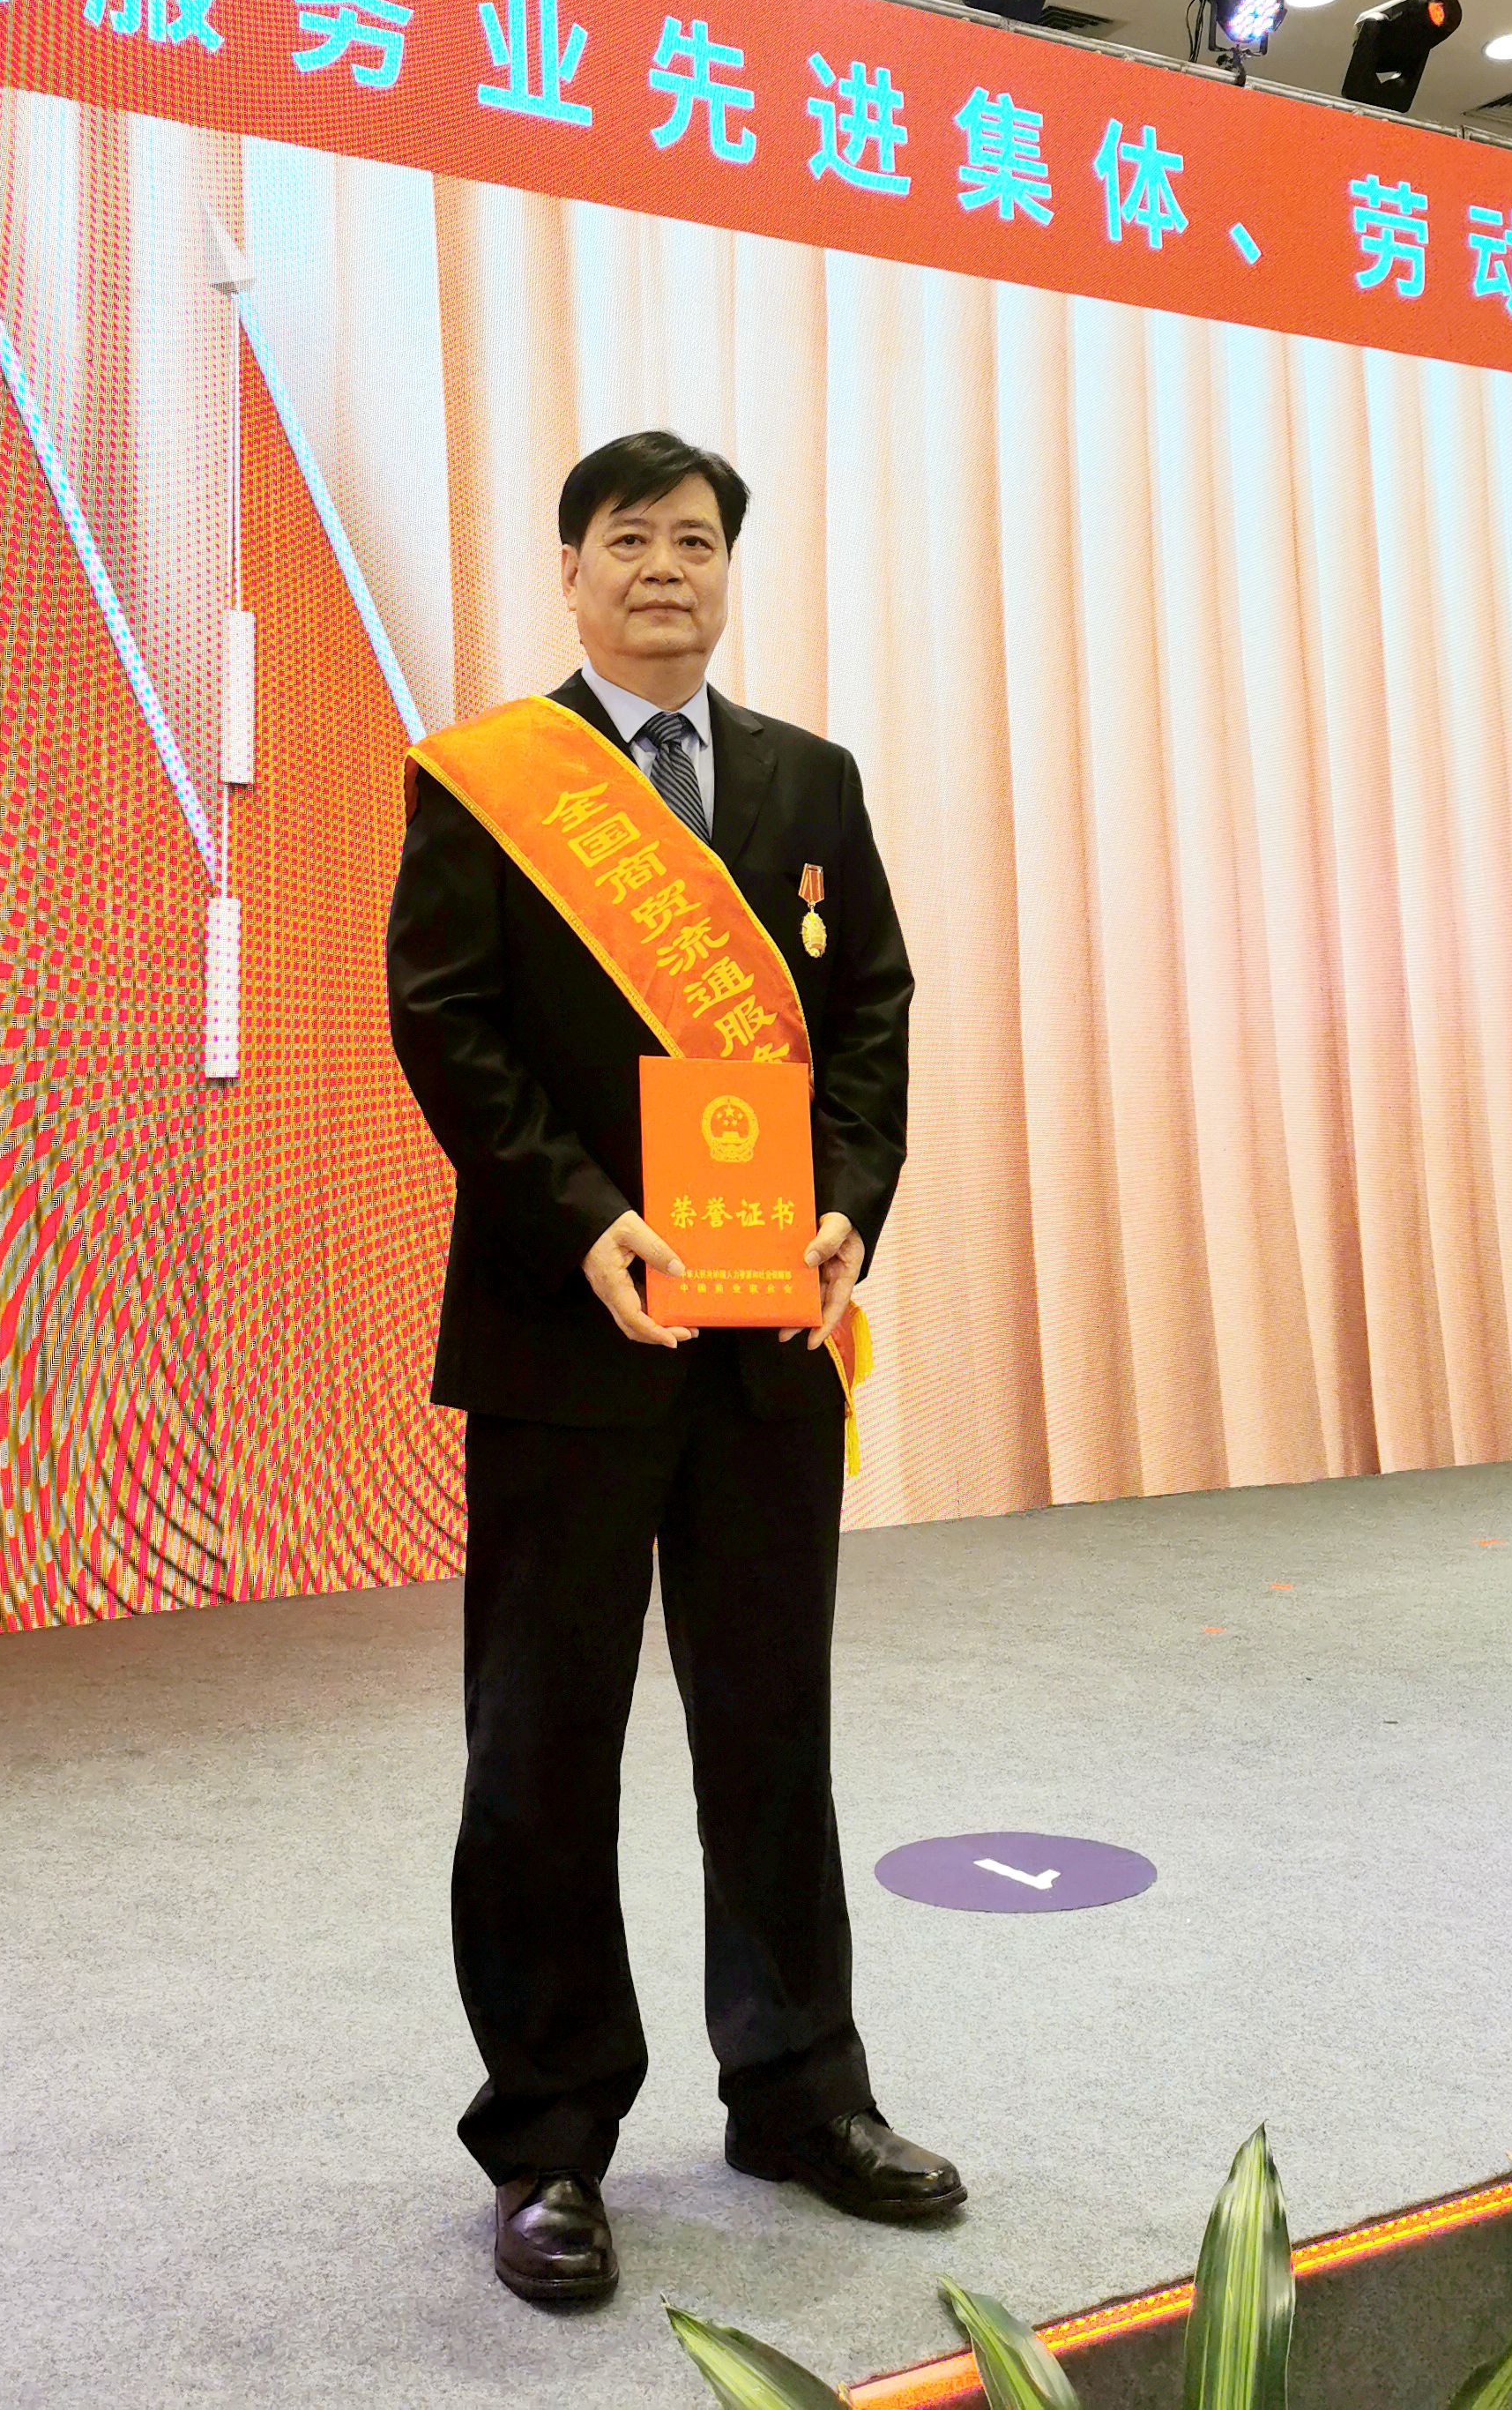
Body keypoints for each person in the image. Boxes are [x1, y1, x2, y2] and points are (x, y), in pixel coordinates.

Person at [385, 428, 964, 2309]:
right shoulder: (493, 786)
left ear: (730, 571)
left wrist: (847, 1209)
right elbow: (448, 1028)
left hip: (771, 1347)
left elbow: (869, 1015)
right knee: (541, 1748)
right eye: (627, 539)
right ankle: (550, 2135)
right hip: (570, 1337)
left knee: (773, 1732)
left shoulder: (810, 779)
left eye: (695, 539)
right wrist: (585, 1220)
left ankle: (798, 2092)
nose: (664, 568)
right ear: (570, 573)